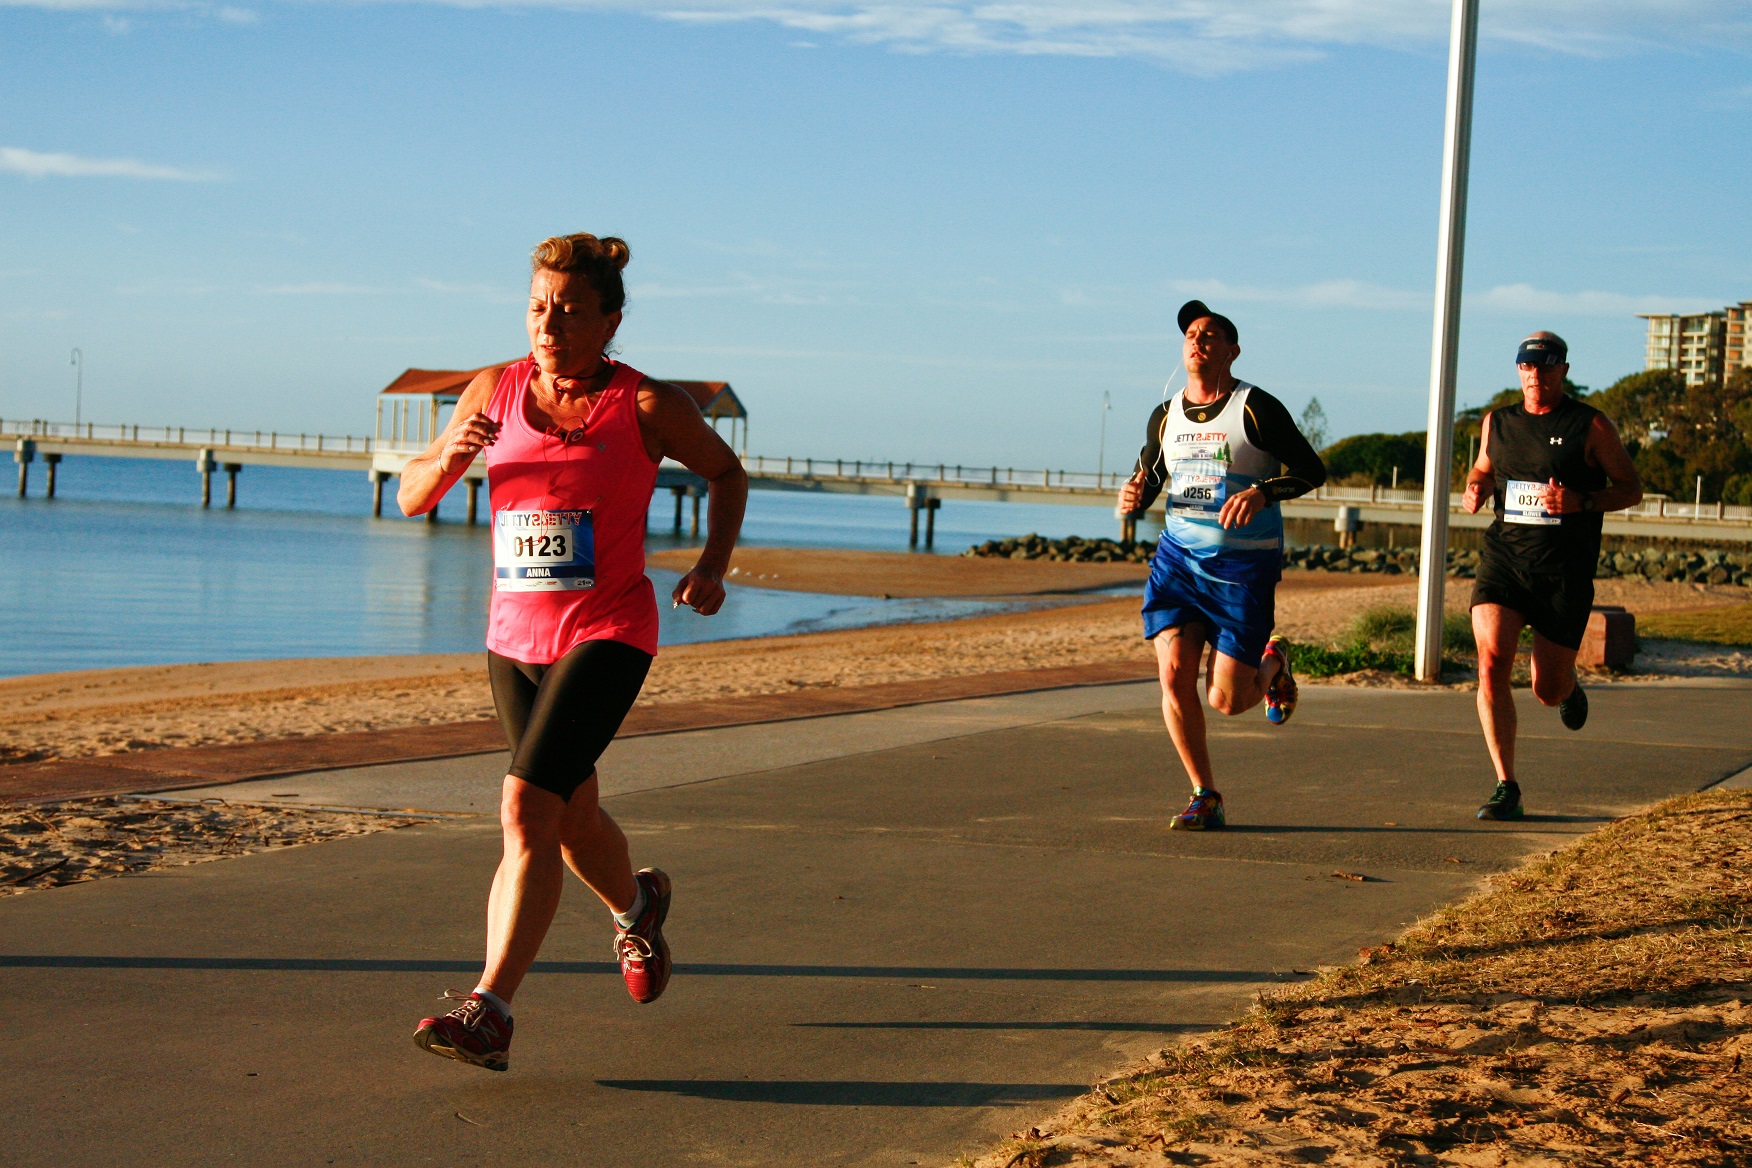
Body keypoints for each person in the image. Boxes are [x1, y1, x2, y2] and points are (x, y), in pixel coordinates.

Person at [397, 233, 747, 1071]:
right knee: (570, 816)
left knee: (525, 808)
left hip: (609, 630)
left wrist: (710, 566)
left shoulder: (647, 405)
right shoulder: (494, 389)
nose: (549, 324)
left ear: (610, 320)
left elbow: (726, 475)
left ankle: (491, 1009)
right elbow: (412, 498)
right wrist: (451, 454)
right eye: (537, 306)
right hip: (512, 639)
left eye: (570, 310)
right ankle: (638, 906)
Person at [1118, 300, 1326, 830]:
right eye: (1191, 333)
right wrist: (1134, 496)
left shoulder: (1254, 407)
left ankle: (1273, 663)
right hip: (1179, 562)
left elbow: (1310, 469)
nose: (1197, 340)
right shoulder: (1165, 416)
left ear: (1232, 351)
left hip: (1242, 568)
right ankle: (1205, 794)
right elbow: (1151, 478)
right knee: (1173, 675)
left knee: (1228, 701)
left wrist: (1261, 492)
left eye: (1210, 334)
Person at [1462, 332, 1640, 821]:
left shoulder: (1590, 425)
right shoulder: (1497, 421)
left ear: (1563, 370)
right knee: (1492, 660)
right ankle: (1506, 784)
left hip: (1564, 571)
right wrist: (1475, 488)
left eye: (1545, 366)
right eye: (1526, 366)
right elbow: (1482, 468)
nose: (1534, 374)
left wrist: (1580, 501)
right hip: (1505, 560)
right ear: (1518, 370)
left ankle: (1568, 686)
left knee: (1546, 688)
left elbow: (1630, 488)